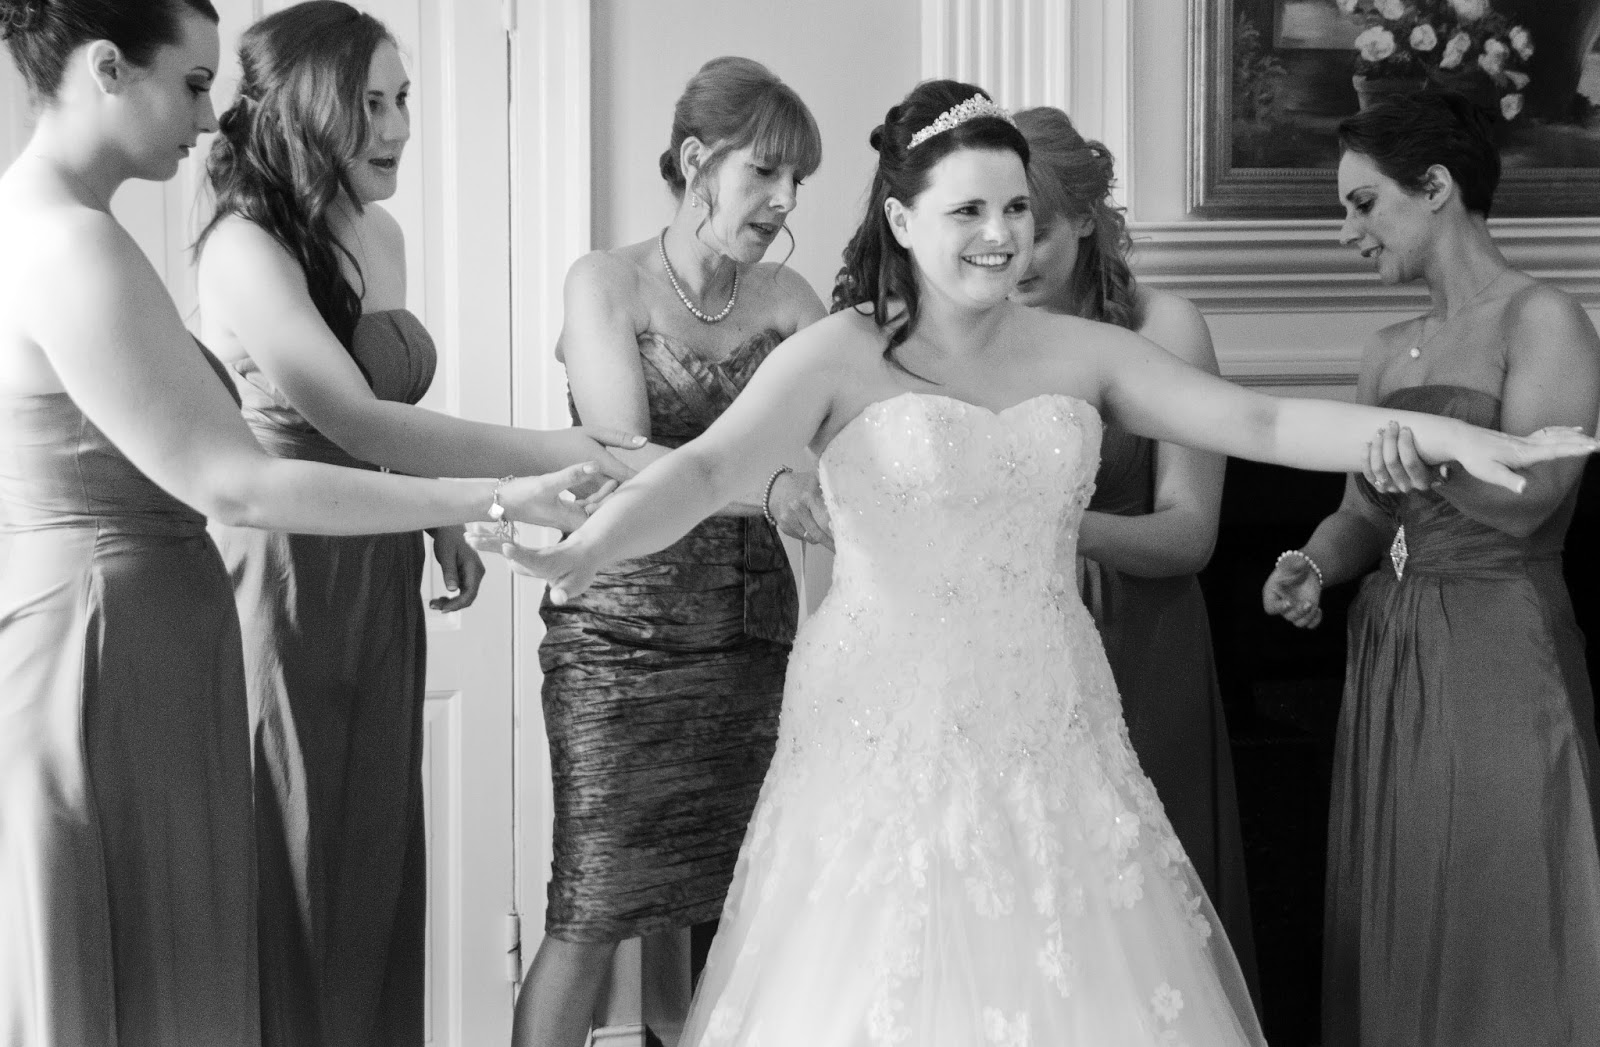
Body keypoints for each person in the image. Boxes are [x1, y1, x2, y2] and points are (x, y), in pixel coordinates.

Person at [474, 79, 1594, 1046]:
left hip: (1049, 713)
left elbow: (1259, 422)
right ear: (902, 219)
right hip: (883, 724)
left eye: (1015, 207)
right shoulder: (836, 354)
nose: (1000, 235)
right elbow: (704, 470)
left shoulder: (1084, 351)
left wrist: (1452, 437)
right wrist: (588, 545)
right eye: (968, 210)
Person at [0, 3, 626, 1045]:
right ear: (107, 69)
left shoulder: (68, 228)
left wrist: (442, 503)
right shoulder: (75, 244)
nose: (213, 117)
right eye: (193, 84)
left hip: (163, 631)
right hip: (125, 638)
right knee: (196, 944)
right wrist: (490, 494)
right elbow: (240, 482)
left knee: (248, 934)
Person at [190, 6, 639, 1044]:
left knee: (374, 862)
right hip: (286, 571)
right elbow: (350, 416)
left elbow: (379, 423)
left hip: (378, 564)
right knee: (293, 857)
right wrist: (546, 454)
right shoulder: (244, 248)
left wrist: (428, 517)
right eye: (370, 104)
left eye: (402, 100)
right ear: (308, 113)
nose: (396, 128)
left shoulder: (378, 235)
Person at [1261, 91, 1600, 1047]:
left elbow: (1536, 495)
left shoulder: (1544, 318)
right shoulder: (1382, 353)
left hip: (1501, 637)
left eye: (1363, 203)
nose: (1347, 232)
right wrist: (1312, 563)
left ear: (1437, 186)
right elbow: (1365, 511)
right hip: (1391, 644)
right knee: (1402, 890)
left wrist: (1433, 461)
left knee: (1504, 885)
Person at [510, 56, 827, 1047]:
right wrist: (771, 491)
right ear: (696, 162)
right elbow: (619, 454)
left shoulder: (791, 301)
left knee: (740, 911)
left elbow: (839, 444)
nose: (784, 200)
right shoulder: (604, 281)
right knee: (590, 907)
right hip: (620, 640)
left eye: (796, 180)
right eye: (763, 172)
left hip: (753, 643)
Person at [1012, 104, 1258, 997]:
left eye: (1036, 231)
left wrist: (1047, 526)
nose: (1013, 255)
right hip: (1015, 648)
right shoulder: (979, 335)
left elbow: (1191, 531)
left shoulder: (1165, 327)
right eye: (996, 226)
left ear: (1086, 218)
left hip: (1142, 640)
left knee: (1154, 929)